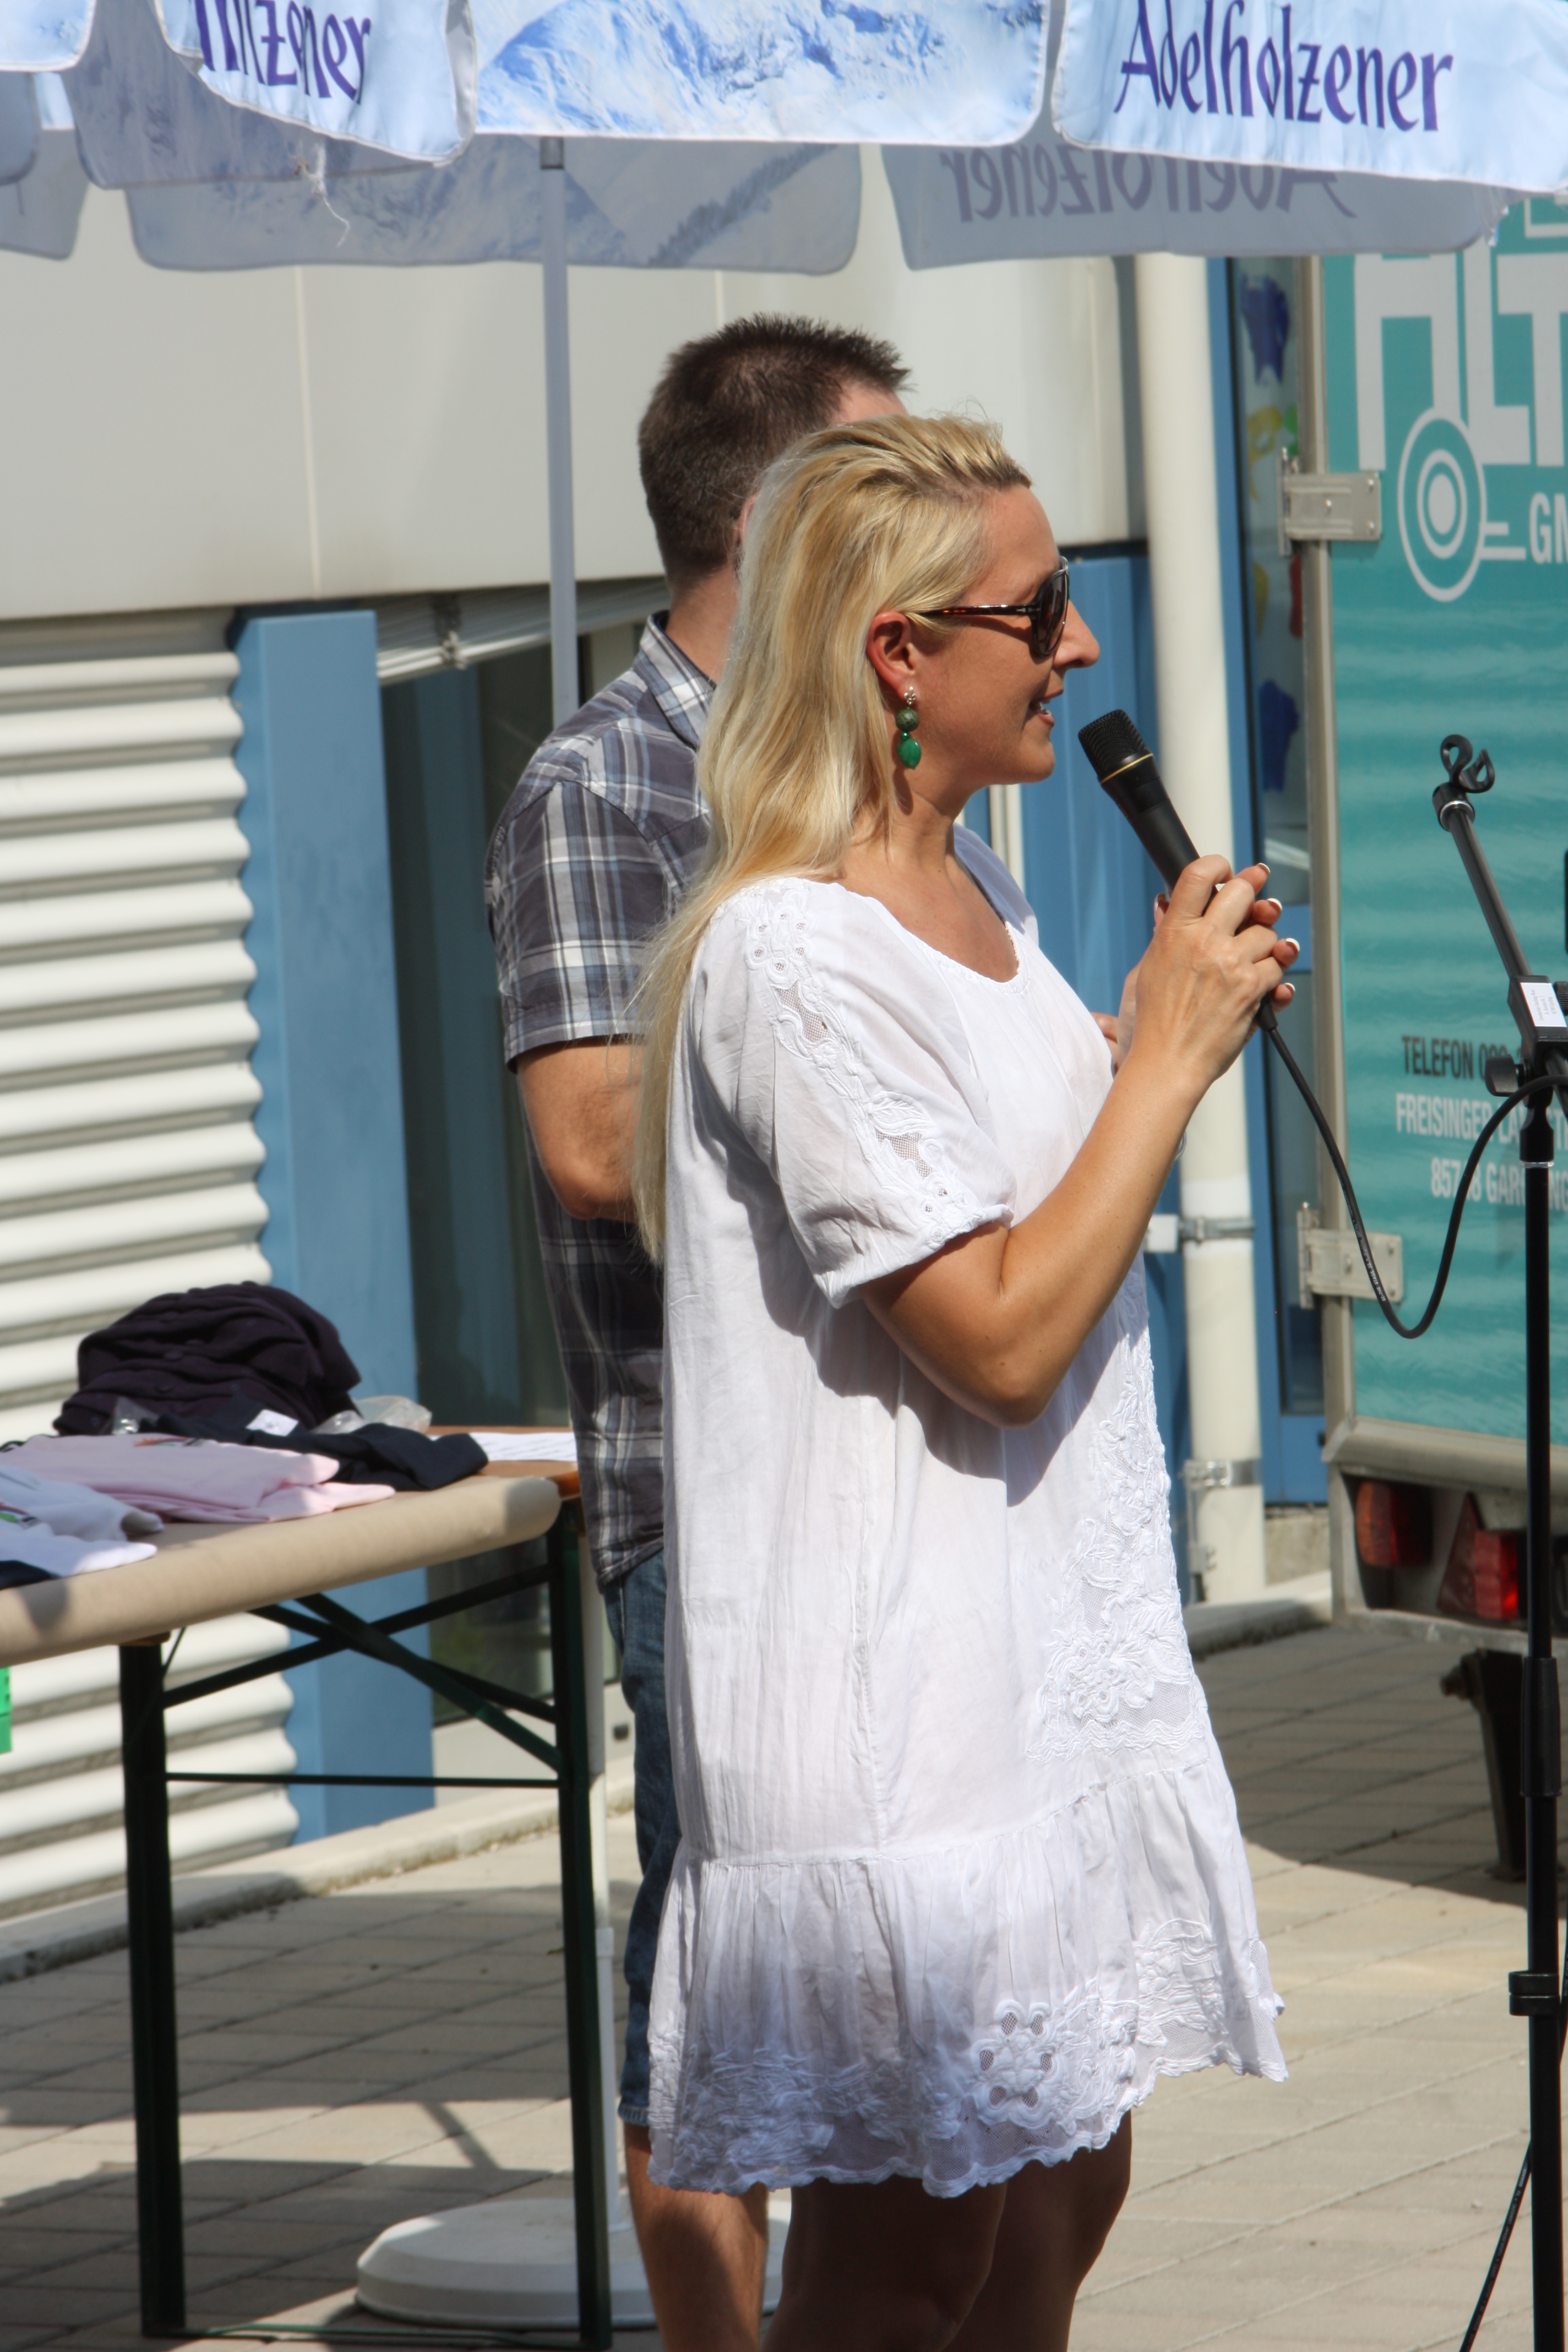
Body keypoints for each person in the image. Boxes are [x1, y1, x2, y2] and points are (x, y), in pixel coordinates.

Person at [630, 412, 1294, 2350]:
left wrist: (1146, 1046)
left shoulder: (982, 892)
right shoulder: (787, 955)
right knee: (915, 2253)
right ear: (899, 653)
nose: (1080, 644)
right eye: (1042, 607)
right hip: (888, 1703)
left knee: (1068, 2186)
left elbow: (1045, 1205)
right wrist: (1161, 1060)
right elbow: (996, 1337)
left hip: (1041, 1656)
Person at [484, 315, 910, 2350]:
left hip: (887, 1478)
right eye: (886, 482)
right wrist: (874, 1116)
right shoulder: (608, 780)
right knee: (719, 2010)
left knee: (889, 2014)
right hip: (714, 1510)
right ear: (778, 519)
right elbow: (587, 1140)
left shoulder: (864, 762)